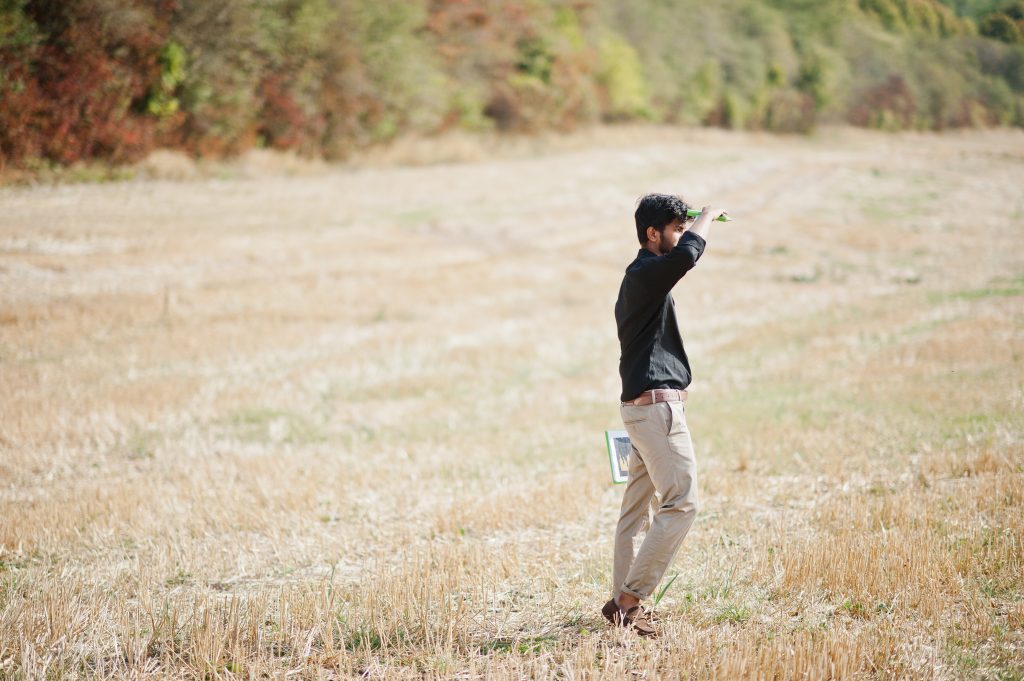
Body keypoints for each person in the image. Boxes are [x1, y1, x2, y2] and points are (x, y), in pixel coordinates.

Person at [602, 193, 726, 637]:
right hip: (656, 412)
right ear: (652, 234)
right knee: (683, 502)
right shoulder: (646, 274)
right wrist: (706, 216)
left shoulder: (640, 279)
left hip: (641, 412)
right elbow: (689, 255)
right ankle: (628, 600)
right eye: (674, 229)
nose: (680, 236)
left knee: (635, 513)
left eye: (681, 227)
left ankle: (623, 607)